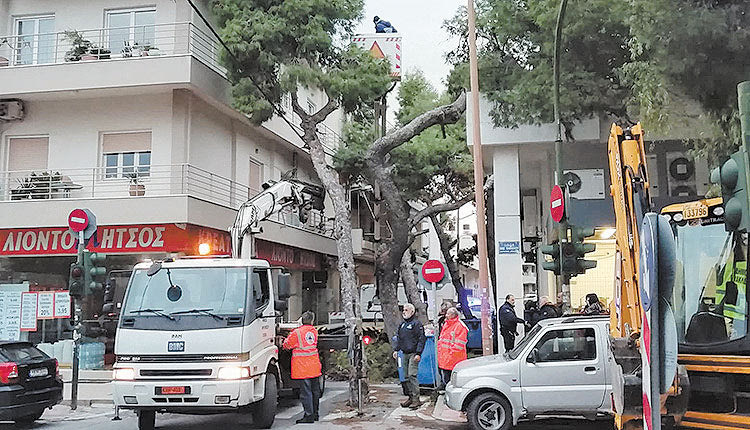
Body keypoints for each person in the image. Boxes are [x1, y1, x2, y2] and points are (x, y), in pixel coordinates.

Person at [282, 311, 322, 424]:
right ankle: (315, 414)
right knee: (315, 391)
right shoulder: (314, 332)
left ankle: (308, 415)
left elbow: (287, 345)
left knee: (306, 393)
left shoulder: (297, 332)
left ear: (301, 320)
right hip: (314, 365)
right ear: (312, 321)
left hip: (302, 367)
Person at [392, 303, 426, 409]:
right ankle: (410, 397)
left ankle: (416, 399)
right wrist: (396, 350)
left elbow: (421, 339)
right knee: (406, 376)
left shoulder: (416, 324)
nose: (404, 312)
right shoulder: (402, 325)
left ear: (412, 311)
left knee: (412, 375)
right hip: (404, 353)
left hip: (413, 353)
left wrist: (418, 353)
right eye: (403, 310)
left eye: (406, 310)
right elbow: (399, 338)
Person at [437, 307, 468, 390]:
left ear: (453, 315)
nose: (446, 315)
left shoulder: (460, 326)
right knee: (446, 379)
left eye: (448, 314)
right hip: (445, 357)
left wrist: (450, 355)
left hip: (454, 358)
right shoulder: (447, 324)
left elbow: (459, 344)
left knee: (451, 382)